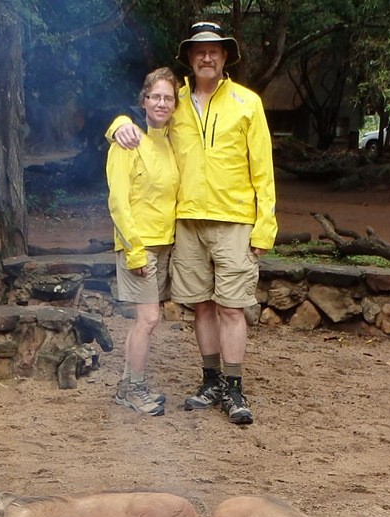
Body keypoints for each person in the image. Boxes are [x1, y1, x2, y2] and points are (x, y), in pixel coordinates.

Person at [109, 22, 277, 425]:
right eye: (199, 51)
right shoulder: (177, 103)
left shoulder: (246, 102)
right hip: (187, 224)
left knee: (232, 308)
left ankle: (233, 390)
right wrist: (117, 124)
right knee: (201, 305)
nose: (207, 56)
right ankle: (211, 380)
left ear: (225, 57)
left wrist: (265, 224)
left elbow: (264, 168)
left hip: (235, 220)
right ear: (189, 57)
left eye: (214, 51)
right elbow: (143, 126)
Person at [107, 67, 181, 417]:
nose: (162, 103)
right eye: (155, 96)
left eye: (169, 97)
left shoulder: (170, 143)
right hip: (139, 246)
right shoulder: (128, 140)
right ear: (144, 100)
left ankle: (127, 386)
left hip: (165, 243)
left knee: (148, 320)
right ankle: (133, 388)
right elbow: (118, 201)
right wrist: (134, 250)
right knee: (148, 319)